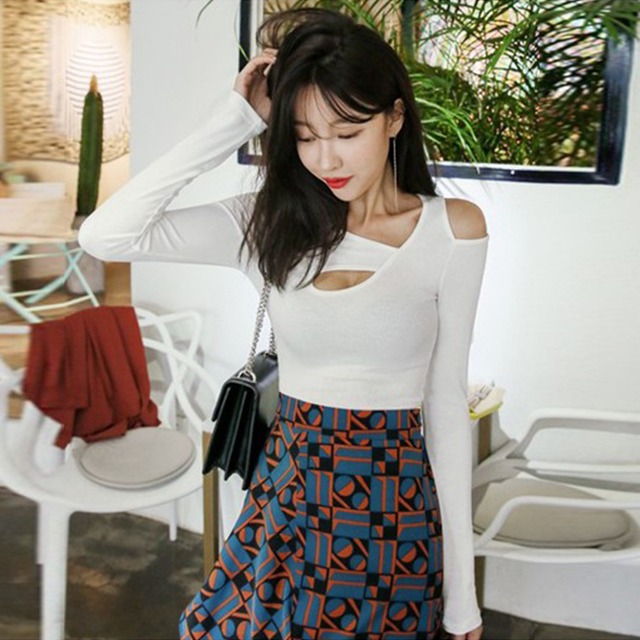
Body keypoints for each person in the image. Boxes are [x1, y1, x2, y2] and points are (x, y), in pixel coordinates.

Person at [79, 7, 488, 640]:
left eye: (346, 131)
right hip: (287, 492)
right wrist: (236, 118)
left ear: (394, 118)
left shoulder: (451, 230)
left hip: (392, 505)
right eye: (303, 135)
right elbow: (107, 235)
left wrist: (463, 600)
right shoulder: (267, 223)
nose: (326, 157)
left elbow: (445, 404)